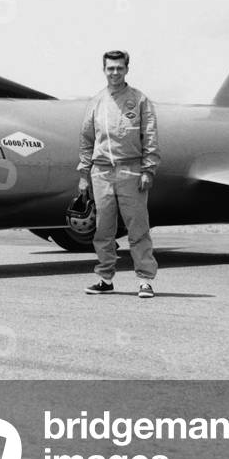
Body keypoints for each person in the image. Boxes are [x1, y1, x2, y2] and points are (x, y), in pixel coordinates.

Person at [77, 50, 160, 298]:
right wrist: (84, 174)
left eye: (119, 68)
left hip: (131, 170)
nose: (115, 72)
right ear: (104, 70)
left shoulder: (140, 100)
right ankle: (104, 278)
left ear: (126, 69)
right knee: (103, 229)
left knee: (138, 227)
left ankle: (145, 280)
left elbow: (151, 137)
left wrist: (148, 169)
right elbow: (86, 140)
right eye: (110, 68)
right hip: (101, 171)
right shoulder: (96, 102)